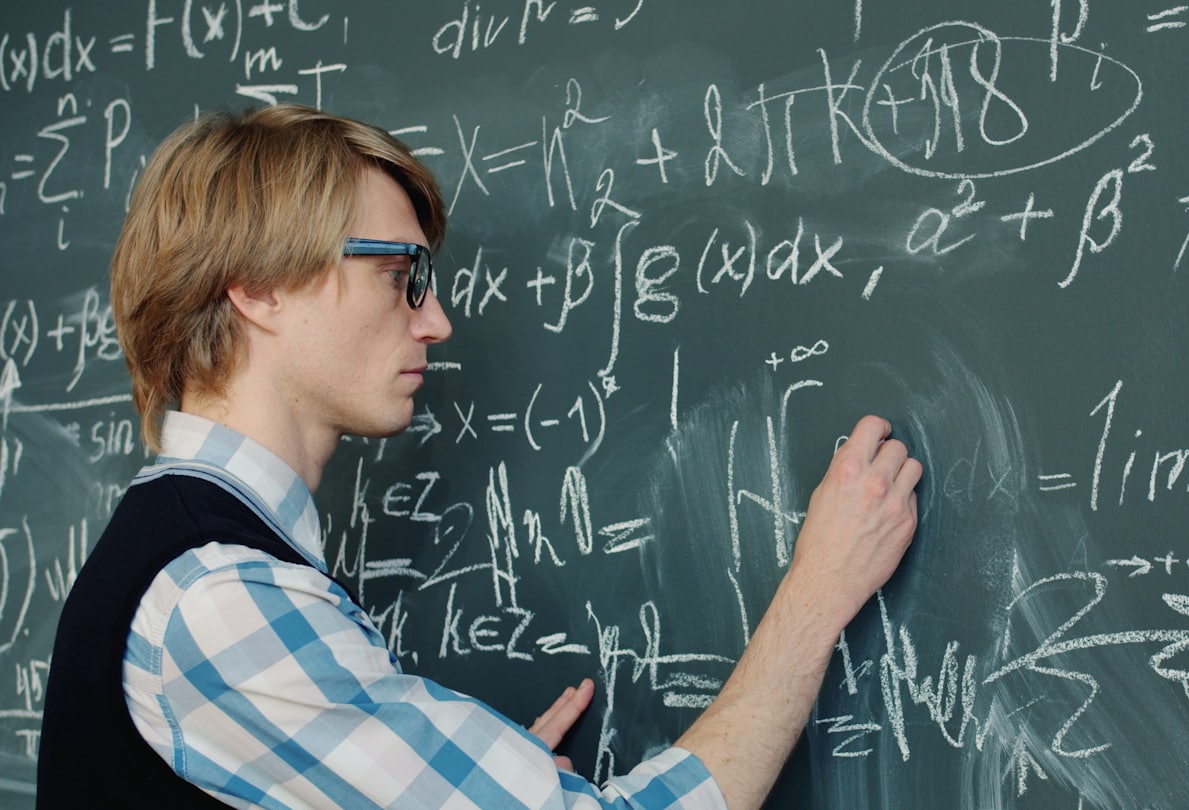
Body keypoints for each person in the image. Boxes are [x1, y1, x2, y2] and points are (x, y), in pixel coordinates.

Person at [37, 104, 922, 809]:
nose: (436, 321)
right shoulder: (221, 596)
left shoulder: (188, 554)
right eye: (400, 276)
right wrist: (817, 597)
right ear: (261, 287)